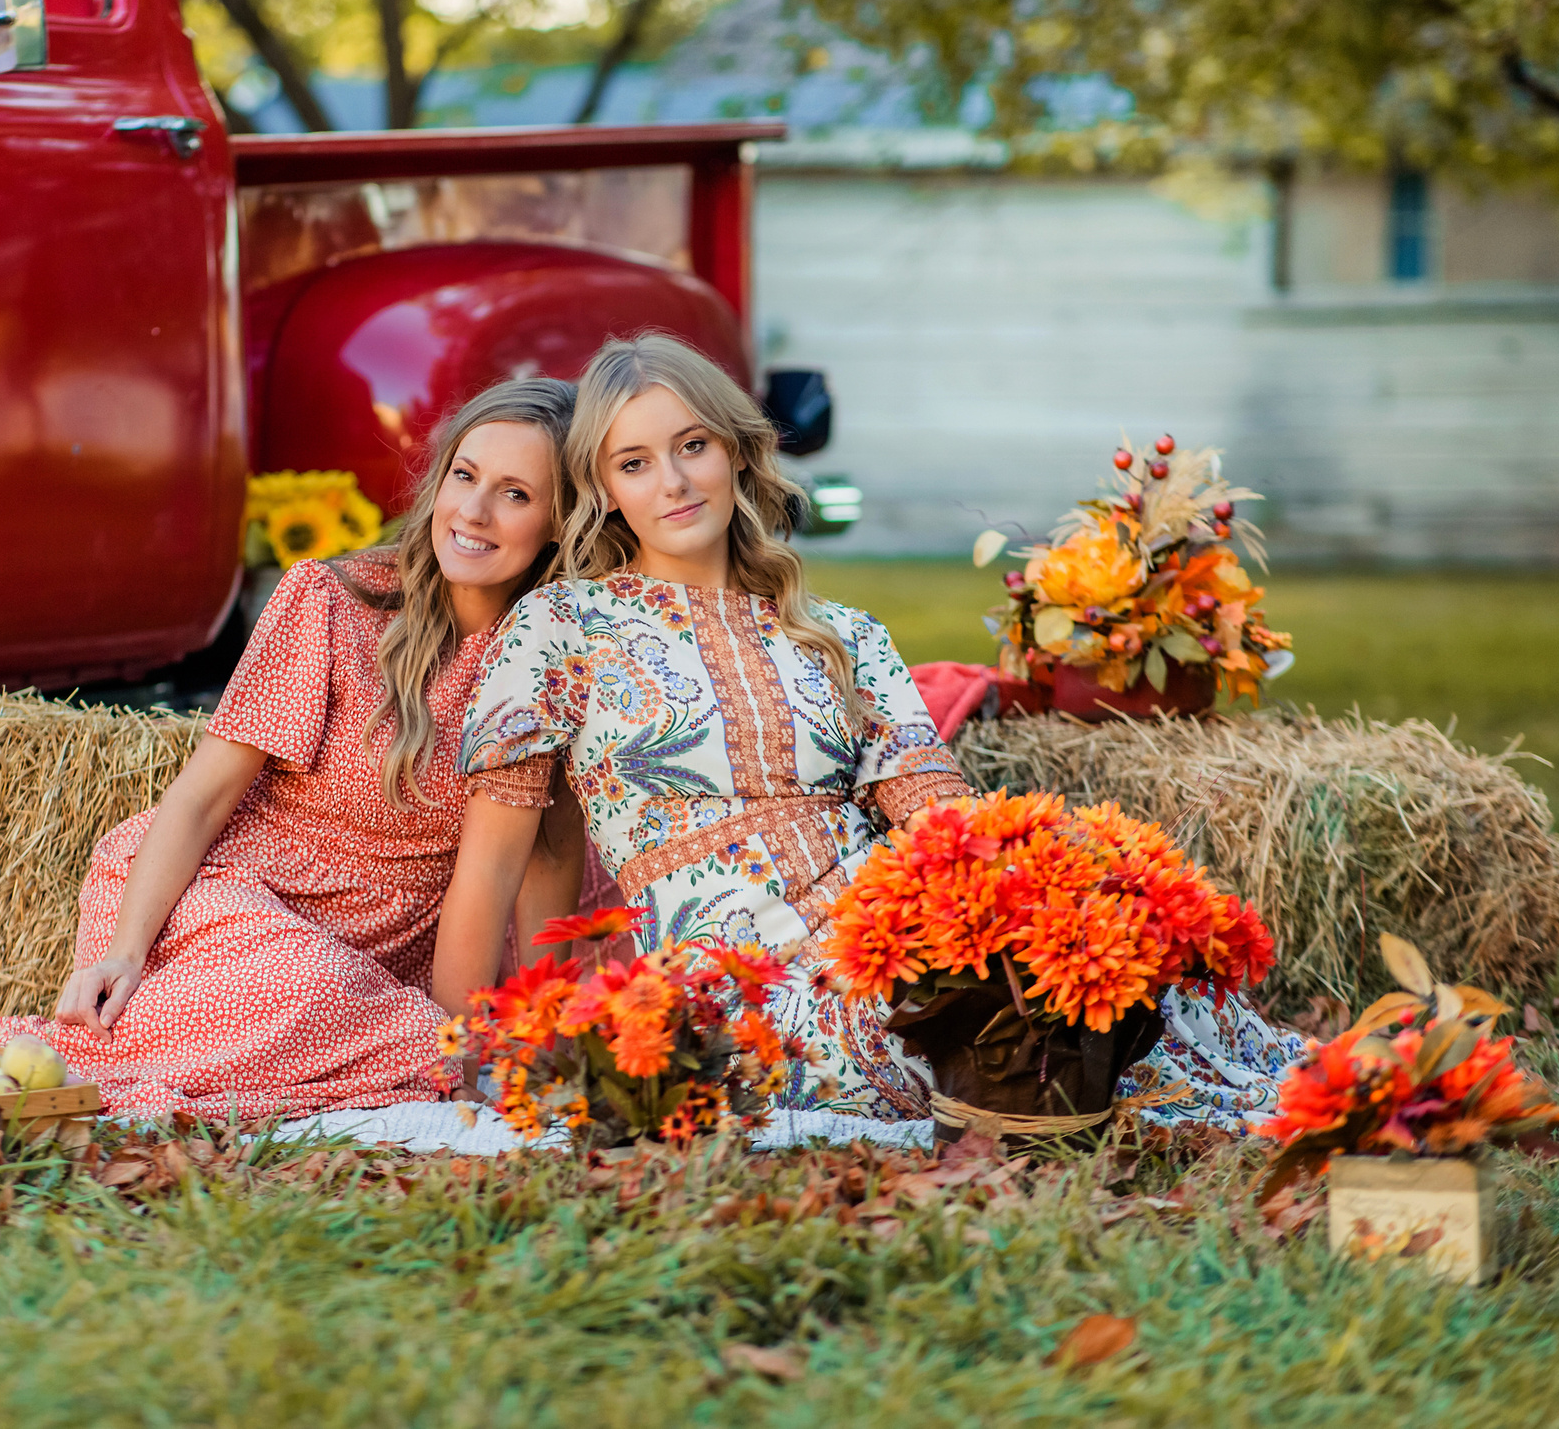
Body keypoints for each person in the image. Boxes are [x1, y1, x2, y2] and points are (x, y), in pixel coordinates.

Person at [441, 335, 1299, 1129]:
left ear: (736, 449)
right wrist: (465, 1057)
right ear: (606, 488)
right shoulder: (561, 626)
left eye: (692, 445)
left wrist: (1050, 891)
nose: (672, 482)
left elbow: (937, 816)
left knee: (1115, 972)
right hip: (734, 976)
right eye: (635, 462)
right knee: (946, 1033)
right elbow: (495, 861)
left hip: (882, 917)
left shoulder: (843, 633)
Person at [0, 379, 577, 1121]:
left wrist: (448, 1049)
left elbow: (487, 882)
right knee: (309, 984)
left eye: (515, 494)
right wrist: (124, 952)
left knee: (390, 1024)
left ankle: (0, 1082)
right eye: (465, 475)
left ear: (559, 521)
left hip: (361, 963)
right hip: (211, 897)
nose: (474, 512)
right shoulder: (332, 599)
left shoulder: (531, 670)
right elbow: (201, 797)